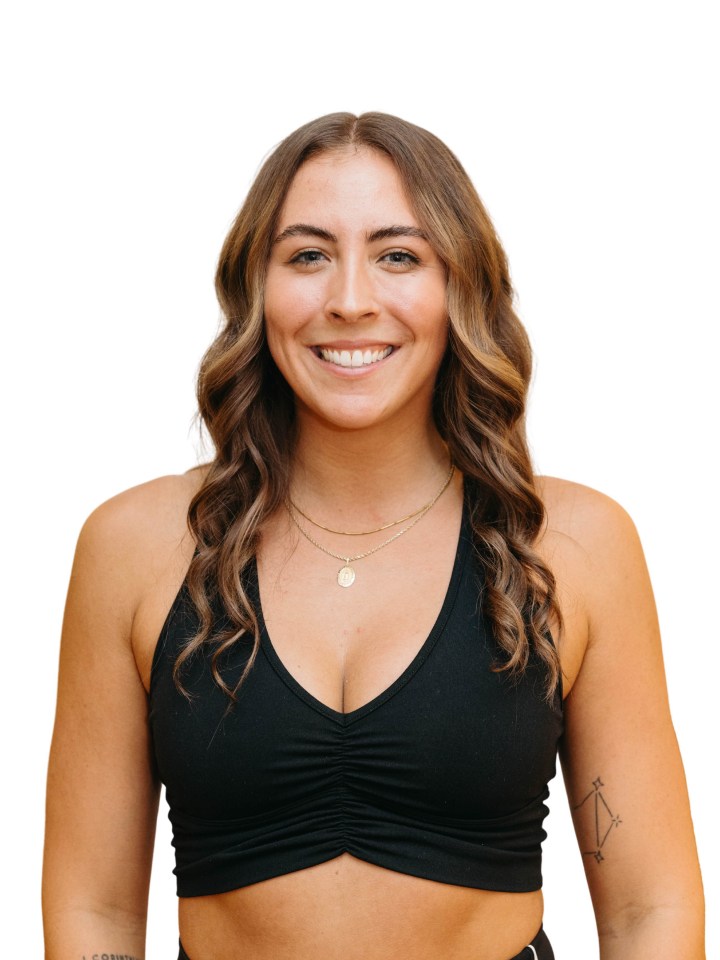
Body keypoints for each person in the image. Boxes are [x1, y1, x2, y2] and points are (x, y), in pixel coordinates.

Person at [42, 112, 705, 960]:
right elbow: (93, 913)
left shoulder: (572, 545)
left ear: (458, 286)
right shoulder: (134, 548)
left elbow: (649, 911)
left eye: (398, 255)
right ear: (257, 289)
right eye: (308, 255)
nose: (350, 300)